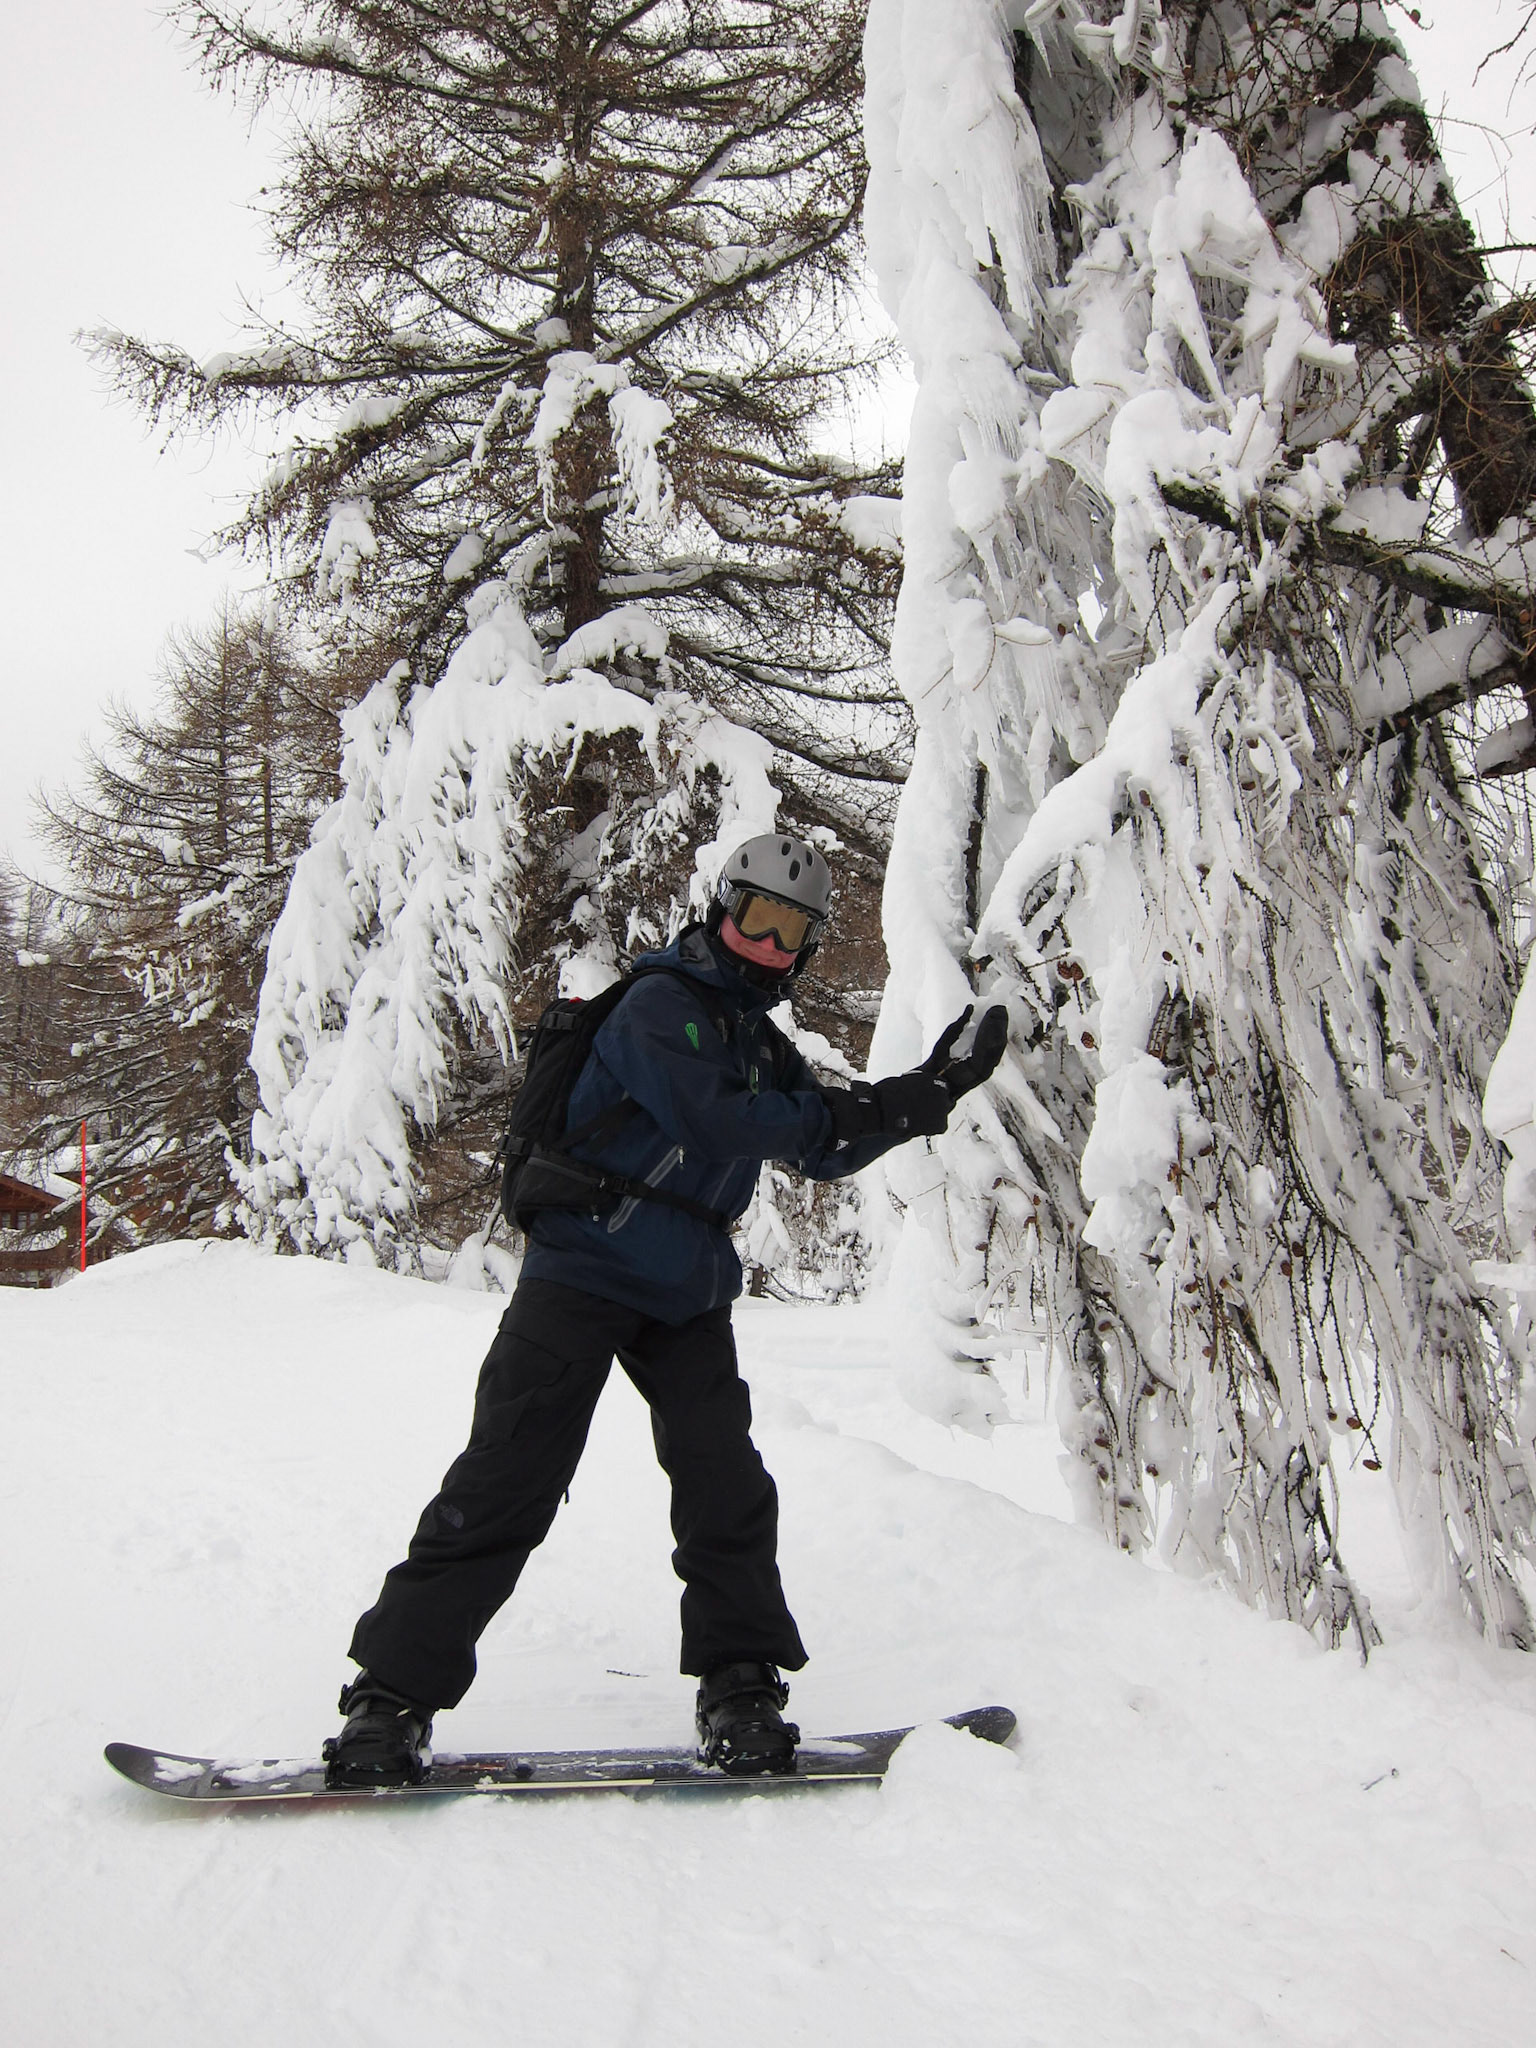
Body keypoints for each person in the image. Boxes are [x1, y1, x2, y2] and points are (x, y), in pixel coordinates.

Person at [325, 833, 1008, 1784]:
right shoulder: (658, 1007)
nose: (769, 943)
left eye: (791, 930)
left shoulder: (755, 1040)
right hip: (582, 1272)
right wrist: (882, 1104)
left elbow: (818, 1145)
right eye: (757, 917)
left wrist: (929, 1094)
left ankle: (740, 1683)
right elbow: (720, 1120)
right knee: (507, 1478)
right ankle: (388, 1701)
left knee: (725, 1485)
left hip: (686, 1293)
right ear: (722, 908)